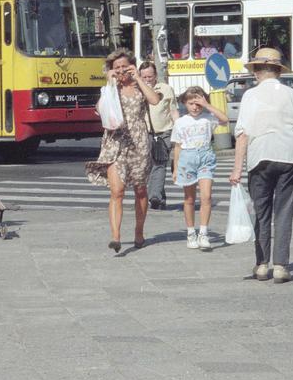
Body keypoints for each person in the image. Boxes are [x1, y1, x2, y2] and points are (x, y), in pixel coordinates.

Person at [229, 47, 293, 283]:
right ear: (278, 71)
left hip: (260, 159)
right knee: (284, 211)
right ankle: (281, 266)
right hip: (289, 158)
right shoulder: (292, 94)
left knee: (261, 212)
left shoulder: (250, 96)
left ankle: (261, 264)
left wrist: (237, 168)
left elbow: (243, 134)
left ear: (256, 70)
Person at [86, 48, 160, 252]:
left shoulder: (139, 87)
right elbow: (100, 109)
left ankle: (139, 231)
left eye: (124, 67)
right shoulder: (110, 89)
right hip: (115, 143)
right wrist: (109, 83)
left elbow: (154, 100)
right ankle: (116, 236)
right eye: (116, 67)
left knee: (140, 190)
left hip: (139, 144)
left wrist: (138, 77)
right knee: (117, 191)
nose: (120, 71)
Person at [171, 86, 229, 251]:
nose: (195, 107)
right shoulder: (181, 122)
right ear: (185, 103)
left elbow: (224, 119)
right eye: (191, 104)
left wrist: (208, 104)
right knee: (189, 199)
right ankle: (191, 233)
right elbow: (177, 146)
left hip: (205, 158)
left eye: (198, 104)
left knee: (206, 196)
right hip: (187, 159)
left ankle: (203, 232)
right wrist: (175, 168)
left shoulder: (208, 118)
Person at [139, 60, 179, 210]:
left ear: (155, 75)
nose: (147, 80)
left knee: (159, 163)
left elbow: (173, 110)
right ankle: (160, 199)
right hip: (146, 134)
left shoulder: (166, 89)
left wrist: (179, 128)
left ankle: (154, 195)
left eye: (150, 76)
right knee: (150, 166)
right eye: (144, 77)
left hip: (164, 133)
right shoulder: (138, 90)